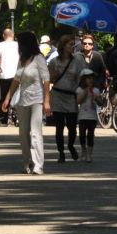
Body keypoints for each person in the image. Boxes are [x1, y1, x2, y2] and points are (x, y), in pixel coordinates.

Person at [1, 31, 52, 175]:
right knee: (23, 133)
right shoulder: (22, 59)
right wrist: (7, 98)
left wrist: (46, 101)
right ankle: (27, 162)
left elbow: (46, 79)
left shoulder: (38, 59)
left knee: (35, 132)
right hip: (23, 99)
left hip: (37, 98)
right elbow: (16, 79)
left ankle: (38, 165)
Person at [48, 34, 85, 162]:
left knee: (72, 127)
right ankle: (61, 152)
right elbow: (48, 79)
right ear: (63, 46)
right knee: (59, 127)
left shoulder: (77, 61)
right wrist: (54, 75)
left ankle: (70, 145)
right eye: (70, 45)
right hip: (57, 95)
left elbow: (83, 78)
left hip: (71, 97)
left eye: (73, 45)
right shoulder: (54, 61)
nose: (72, 47)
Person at [0, 28, 20, 126]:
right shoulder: (18, 45)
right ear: (13, 35)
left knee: (4, 97)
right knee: (16, 95)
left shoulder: (0, 45)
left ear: (4, 36)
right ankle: (16, 117)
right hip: (17, 75)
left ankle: (4, 119)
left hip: (4, 75)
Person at [77, 69, 100, 161]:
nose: (90, 80)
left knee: (90, 135)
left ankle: (89, 154)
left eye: (92, 78)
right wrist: (86, 91)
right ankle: (83, 150)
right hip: (82, 116)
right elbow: (78, 101)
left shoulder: (96, 90)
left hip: (92, 116)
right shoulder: (79, 90)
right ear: (83, 80)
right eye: (88, 78)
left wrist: (97, 98)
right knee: (82, 134)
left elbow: (101, 103)